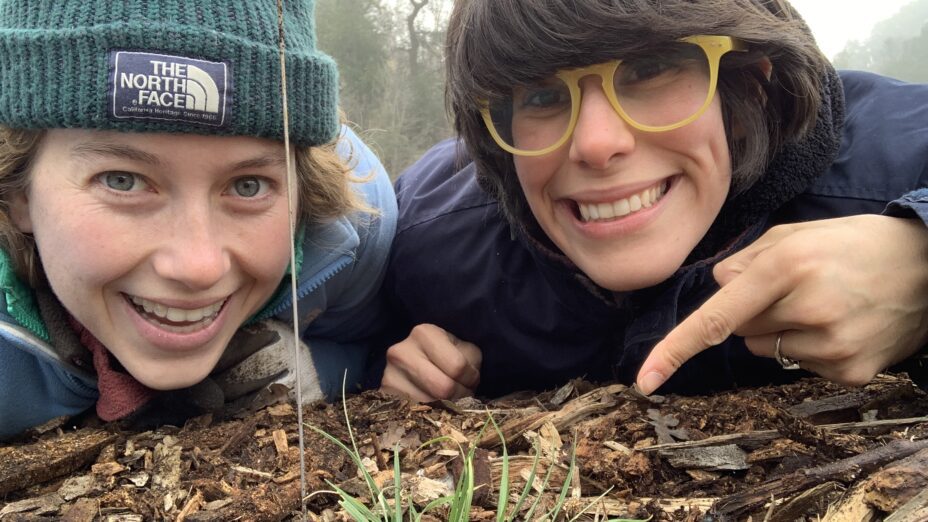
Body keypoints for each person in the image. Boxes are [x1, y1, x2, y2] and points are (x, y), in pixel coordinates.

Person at [378, 0, 928, 402]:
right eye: (543, 95)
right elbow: (319, 278)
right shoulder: (429, 238)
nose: (595, 143)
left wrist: (919, 257)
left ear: (748, 88)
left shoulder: (892, 164)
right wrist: (392, 365)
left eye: (648, 69)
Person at [0, 0, 397, 440]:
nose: (198, 267)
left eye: (249, 185)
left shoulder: (354, 229)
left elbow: (372, 342)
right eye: (123, 181)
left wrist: (322, 365)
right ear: (17, 190)